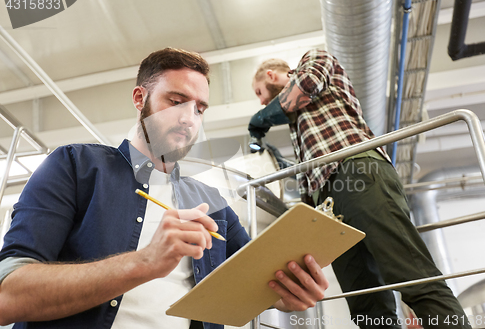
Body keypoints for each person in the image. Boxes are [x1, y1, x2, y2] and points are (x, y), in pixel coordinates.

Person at [0, 47, 329, 329]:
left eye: (200, 108)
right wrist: (144, 263)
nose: (189, 118)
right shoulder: (75, 167)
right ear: (140, 98)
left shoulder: (212, 204)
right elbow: (7, 295)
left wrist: (286, 295)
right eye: (176, 100)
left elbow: (256, 279)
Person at [249, 49, 471, 329]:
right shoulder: (297, 121)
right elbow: (317, 158)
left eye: (259, 92)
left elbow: (306, 86)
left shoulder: (314, 58)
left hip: (358, 169)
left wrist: (261, 118)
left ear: (271, 75)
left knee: (412, 277)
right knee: (364, 303)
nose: (261, 100)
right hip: (328, 201)